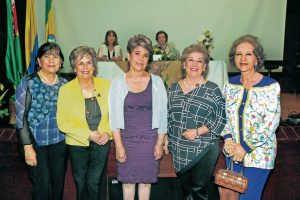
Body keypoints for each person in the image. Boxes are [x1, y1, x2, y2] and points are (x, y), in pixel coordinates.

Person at [221, 35, 281, 200]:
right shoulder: (230, 84)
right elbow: (222, 116)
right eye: (239, 54)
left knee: (248, 198)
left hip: (259, 155)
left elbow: (270, 124)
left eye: (248, 54)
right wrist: (227, 139)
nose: (243, 58)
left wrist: (245, 148)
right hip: (232, 154)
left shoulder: (270, 86)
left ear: (257, 59)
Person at [108, 34, 167, 200]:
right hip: (126, 140)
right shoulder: (117, 83)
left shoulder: (157, 82)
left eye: (145, 55)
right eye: (137, 53)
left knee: (146, 183)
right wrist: (118, 145)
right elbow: (113, 116)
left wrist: (159, 142)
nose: (141, 59)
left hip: (150, 140)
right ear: (128, 55)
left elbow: (163, 115)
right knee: (127, 183)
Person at [165, 43, 226, 199]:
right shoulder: (173, 88)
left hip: (203, 148)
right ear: (184, 64)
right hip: (179, 148)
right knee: (185, 193)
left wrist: (198, 131)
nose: (194, 64)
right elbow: (167, 116)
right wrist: (166, 139)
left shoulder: (212, 89)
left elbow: (222, 117)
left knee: (199, 192)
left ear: (204, 66)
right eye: (190, 60)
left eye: (199, 61)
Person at [56, 46, 111, 200]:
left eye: (89, 63)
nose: (85, 67)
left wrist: (108, 133)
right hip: (77, 144)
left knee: (94, 182)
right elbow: (62, 122)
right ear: (74, 67)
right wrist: (88, 134)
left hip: (101, 142)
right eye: (81, 63)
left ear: (94, 65)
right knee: (81, 182)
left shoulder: (107, 86)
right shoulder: (65, 90)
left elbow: (116, 115)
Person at [15, 42, 67, 200]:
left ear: (61, 62)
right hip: (35, 143)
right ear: (38, 61)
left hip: (59, 143)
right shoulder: (28, 82)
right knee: (42, 188)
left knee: (57, 186)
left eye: (55, 56)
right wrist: (28, 147)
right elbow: (20, 118)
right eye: (46, 56)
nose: (51, 60)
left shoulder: (65, 85)